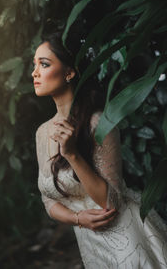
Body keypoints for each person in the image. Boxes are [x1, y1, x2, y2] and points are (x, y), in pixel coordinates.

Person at [32, 31, 167, 268]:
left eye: (44, 64)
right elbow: (47, 200)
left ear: (69, 72)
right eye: (34, 65)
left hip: (127, 240)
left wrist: (72, 154)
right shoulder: (42, 133)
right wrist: (78, 218)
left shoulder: (99, 123)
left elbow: (111, 203)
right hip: (91, 247)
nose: (35, 73)